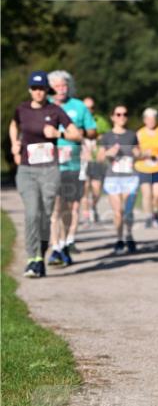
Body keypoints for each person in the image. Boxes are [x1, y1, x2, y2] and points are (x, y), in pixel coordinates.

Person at [9, 71, 82, 277]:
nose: (38, 92)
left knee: (45, 215)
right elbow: (14, 124)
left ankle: (40, 254)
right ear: (30, 90)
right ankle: (33, 259)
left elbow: (76, 135)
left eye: (41, 89)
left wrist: (58, 133)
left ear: (47, 91)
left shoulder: (55, 111)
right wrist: (15, 143)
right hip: (27, 170)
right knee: (32, 213)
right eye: (34, 88)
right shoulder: (21, 109)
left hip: (49, 170)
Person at [47, 71, 97, 266]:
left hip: (75, 163)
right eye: (57, 86)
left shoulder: (78, 106)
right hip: (51, 164)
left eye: (64, 86)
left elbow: (92, 132)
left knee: (73, 206)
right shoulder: (45, 107)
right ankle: (55, 248)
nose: (61, 90)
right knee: (56, 208)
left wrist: (79, 133)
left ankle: (67, 241)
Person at [98, 106, 140, 254]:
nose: (122, 116)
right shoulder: (107, 136)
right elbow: (100, 157)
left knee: (127, 211)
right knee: (118, 211)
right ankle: (119, 239)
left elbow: (137, 153)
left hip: (130, 178)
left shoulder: (132, 135)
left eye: (125, 114)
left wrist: (139, 154)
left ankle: (129, 234)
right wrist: (109, 152)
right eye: (118, 114)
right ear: (112, 117)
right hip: (113, 179)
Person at [136, 108, 158, 228]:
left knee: (157, 193)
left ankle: (156, 214)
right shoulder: (140, 133)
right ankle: (148, 217)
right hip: (143, 167)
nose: (151, 121)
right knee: (147, 194)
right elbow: (135, 151)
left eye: (153, 118)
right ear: (144, 120)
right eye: (149, 118)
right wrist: (143, 154)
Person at [81, 96, 111, 224]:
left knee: (97, 188)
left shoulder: (100, 121)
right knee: (84, 187)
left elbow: (110, 136)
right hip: (81, 160)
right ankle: (86, 213)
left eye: (91, 107)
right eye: (86, 108)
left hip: (96, 159)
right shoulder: (76, 120)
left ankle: (93, 206)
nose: (89, 110)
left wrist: (103, 145)